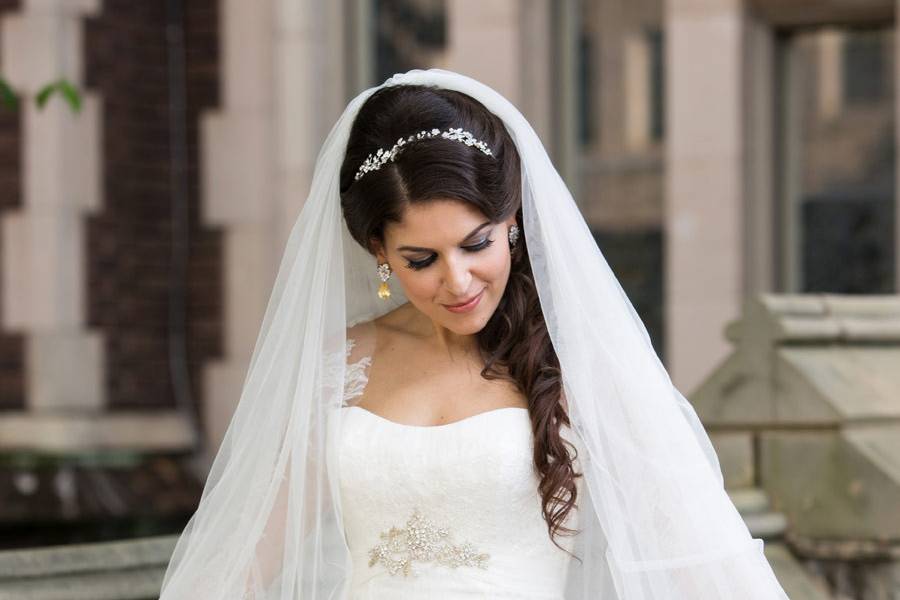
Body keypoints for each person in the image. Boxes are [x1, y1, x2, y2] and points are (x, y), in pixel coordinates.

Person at [159, 68, 789, 599]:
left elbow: (692, 555)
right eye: (421, 259)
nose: (458, 282)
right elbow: (248, 556)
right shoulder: (339, 365)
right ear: (378, 250)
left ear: (511, 219)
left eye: (476, 244)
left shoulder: (576, 365)